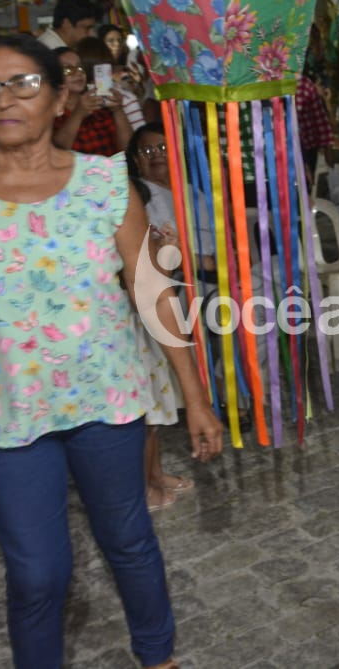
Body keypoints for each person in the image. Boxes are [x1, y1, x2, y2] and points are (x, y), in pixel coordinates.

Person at [0, 34, 224, 669]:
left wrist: (194, 397)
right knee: (37, 572)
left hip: (105, 400)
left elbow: (151, 291)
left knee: (128, 540)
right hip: (4, 412)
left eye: (24, 84)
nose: (5, 99)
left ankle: (158, 656)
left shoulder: (104, 183)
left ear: (59, 99)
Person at [125, 124, 196, 514]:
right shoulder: (125, 243)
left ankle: (154, 475)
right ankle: (141, 487)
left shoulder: (147, 237)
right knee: (144, 419)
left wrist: (165, 250)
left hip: (148, 335)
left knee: (153, 418)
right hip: (134, 336)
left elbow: (159, 282)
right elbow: (144, 292)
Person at [53, 43, 134, 155]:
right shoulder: (50, 114)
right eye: (68, 69)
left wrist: (118, 110)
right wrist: (78, 114)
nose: (78, 73)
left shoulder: (100, 106)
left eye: (80, 67)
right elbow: (57, 152)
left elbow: (129, 150)